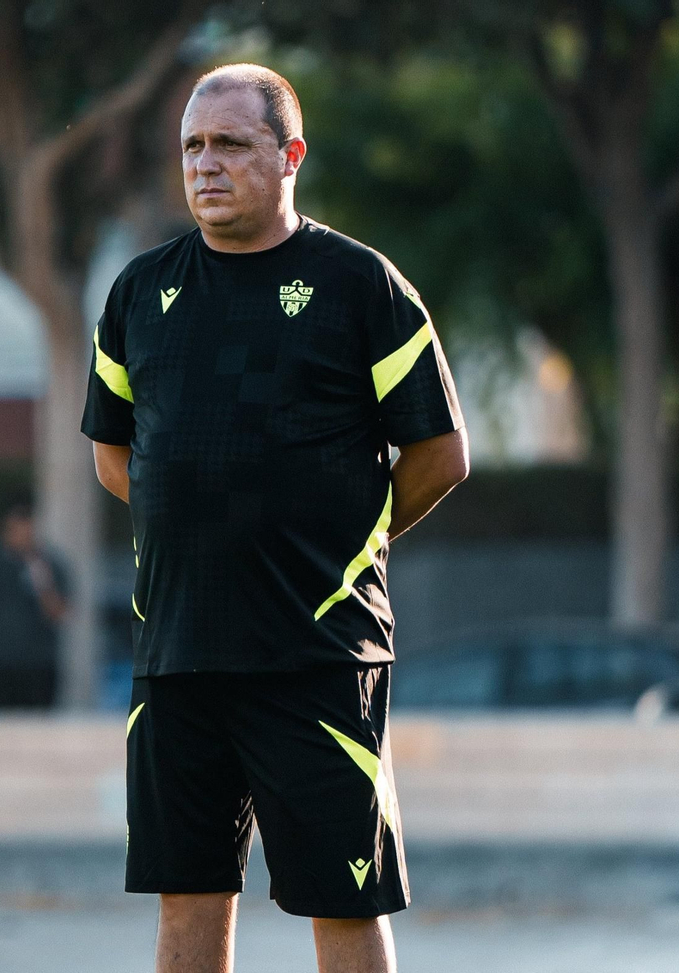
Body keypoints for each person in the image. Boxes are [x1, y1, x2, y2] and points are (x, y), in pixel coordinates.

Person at [81, 63, 468, 973]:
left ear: (290, 155)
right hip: (177, 657)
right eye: (192, 147)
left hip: (315, 657)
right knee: (187, 897)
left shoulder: (360, 285)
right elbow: (112, 454)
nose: (205, 165)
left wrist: (347, 547)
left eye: (231, 144)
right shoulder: (140, 293)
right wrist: (206, 532)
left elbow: (440, 455)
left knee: (342, 899)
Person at [0, 498, 70, 709]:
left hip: (40, 665)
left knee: (39, 729)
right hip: (1, 663)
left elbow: (61, 615)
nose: (24, 535)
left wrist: (44, 587)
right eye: (18, 529)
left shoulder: (50, 564)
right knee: (3, 730)